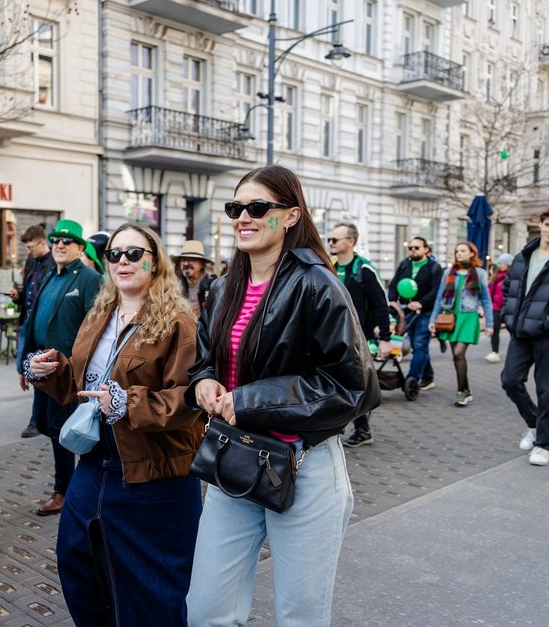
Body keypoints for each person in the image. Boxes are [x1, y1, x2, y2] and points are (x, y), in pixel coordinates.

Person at [186, 165, 380, 626]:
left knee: (300, 616)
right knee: (206, 611)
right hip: (234, 460)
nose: (243, 218)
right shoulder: (225, 283)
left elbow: (352, 386)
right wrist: (204, 381)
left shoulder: (317, 282)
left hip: (304, 464)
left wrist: (250, 399)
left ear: (291, 216)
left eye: (258, 207)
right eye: (236, 208)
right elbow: (206, 357)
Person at [26, 223, 202, 626]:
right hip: (95, 464)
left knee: (150, 593)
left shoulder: (179, 321)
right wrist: (48, 370)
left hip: (154, 475)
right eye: (115, 254)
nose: (123, 261)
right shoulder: (101, 312)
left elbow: (190, 400)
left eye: (134, 253)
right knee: (79, 567)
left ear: (155, 262)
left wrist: (128, 403)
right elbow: (81, 384)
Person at [21, 219, 101, 516]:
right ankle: (73, 484)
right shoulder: (49, 276)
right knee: (44, 425)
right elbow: (32, 322)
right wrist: (23, 366)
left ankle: (64, 491)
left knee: (62, 430)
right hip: (42, 367)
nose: (60, 245)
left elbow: (95, 329)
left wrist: (81, 368)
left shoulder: (88, 279)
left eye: (67, 241)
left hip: (67, 371)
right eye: (55, 240)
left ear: (80, 247)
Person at [501, 206, 549, 466]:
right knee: (510, 380)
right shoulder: (523, 255)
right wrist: (509, 319)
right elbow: (509, 290)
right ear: (541, 224)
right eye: (548, 224)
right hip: (520, 332)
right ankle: (533, 425)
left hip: (548, 335)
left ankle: (542, 444)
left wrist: (545, 323)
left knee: (547, 392)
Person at [328, 223, 390, 446]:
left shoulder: (364, 270)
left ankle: (363, 430)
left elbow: (381, 305)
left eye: (335, 240)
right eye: (330, 240)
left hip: (357, 338)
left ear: (350, 242)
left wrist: (385, 338)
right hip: (331, 337)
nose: (331, 243)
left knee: (354, 384)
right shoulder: (329, 266)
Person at [429, 242, 493, 407]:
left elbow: (486, 300)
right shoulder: (448, 273)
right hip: (450, 317)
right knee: (457, 356)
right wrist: (433, 320)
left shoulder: (479, 273)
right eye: (457, 251)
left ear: (472, 253)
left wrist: (490, 323)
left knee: (458, 353)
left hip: (469, 317)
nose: (459, 254)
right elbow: (439, 298)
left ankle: (461, 391)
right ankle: (465, 390)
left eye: (463, 251)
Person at [13, 225, 56, 438]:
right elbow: (29, 291)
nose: (29, 251)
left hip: (42, 326)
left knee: (35, 372)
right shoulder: (32, 261)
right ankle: (39, 419)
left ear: (42, 242)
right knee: (23, 367)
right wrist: (17, 296)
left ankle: (36, 421)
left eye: (31, 247)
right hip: (26, 322)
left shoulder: (53, 263)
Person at [388, 237, 444, 390]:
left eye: (416, 248)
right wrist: (392, 301)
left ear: (426, 249)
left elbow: (437, 290)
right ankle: (428, 377)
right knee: (417, 345)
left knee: (419, 344)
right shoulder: (404, 265)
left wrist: (421, 302)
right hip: (406, 312)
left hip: (425, 312)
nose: (413, 250)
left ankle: (412, 378)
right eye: (410, 247)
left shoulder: (434, 267)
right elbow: (394, 284)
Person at [173, 239, 216, 317]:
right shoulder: (176, 285)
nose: (186, 263)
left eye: (191, 259)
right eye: (183, 260)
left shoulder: (212, 285)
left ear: (201, 265)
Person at [486, 253, 513, 363]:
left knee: (512, 330)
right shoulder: (495, 276)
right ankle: (495, 352)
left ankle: (514, 352)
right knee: (495, 329)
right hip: (495, 307)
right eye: (500, 263)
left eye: (504, 263)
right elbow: (490, 291)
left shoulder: (512, 276)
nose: (501, 265)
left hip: (508, 307)